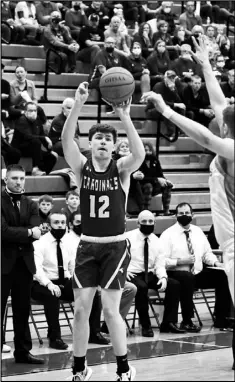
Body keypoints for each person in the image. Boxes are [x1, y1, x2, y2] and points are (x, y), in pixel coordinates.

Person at [141, 34, 234, 370]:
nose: (228, 105)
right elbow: (219, 101)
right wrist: (207, 65)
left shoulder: (233, 148)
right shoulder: (230, 131)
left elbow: (205, 136)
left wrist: (165, 109)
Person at [62, 81, 145, 380]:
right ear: (91, 143)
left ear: (113, 146)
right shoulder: (82, 168)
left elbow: (139, 155)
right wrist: (79, 104)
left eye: (107, 140)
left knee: (111, 312)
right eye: (97, 138)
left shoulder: (121, 170)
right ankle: (79, 368)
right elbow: (65, 141)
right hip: (87, 245)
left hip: (114, 246)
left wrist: (124, 117)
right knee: (81, 311)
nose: (101, 143)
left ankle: (124, 368)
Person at [160, 202, 231, 332]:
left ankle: (222, 318)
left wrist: (216, 263)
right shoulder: (167, 235)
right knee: (187, 277)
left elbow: (207, 254)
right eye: (181, 213)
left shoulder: (197, 231)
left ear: (192, 215)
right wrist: (179, 261)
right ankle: (187, 321)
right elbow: (161, 261)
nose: (184, 215)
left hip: (196, 273)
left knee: (223, 275)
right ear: (176, 215)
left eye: (187, 213)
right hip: (176, 272)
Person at [1, 164, 44, 364]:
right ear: (6, 180)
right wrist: (27, 233)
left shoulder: (31, 203)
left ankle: (23, 352)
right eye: (15, 178)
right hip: (3, 263)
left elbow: (37, 228)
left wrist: (26, 232)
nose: (19, 182)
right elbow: (3, 231)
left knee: (22, 310)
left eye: (22, 179)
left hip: (25, 264)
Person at [126, 210, 185, 337]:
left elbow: (159, 264)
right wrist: (123, 271)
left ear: (154, 223)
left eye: (150, 221)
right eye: (144, 221)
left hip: (150, 273)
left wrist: (163, 277)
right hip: (132, 274)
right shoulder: (127, 238)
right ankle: (146, 326)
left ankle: (168, 323)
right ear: (137, 223)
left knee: (173, 284)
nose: (147, 224)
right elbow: (117, 257)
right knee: (141, 287)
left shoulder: (157, 241)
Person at [32, 211, 75, 350]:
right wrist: (49, 284)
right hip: (41, 283)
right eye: (56, 223)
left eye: (63, 223)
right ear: (49, 226)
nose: (60, 226)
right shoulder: (39, 243)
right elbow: (36, 270)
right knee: (51, 295)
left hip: (63, 280)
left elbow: (72, 265)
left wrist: (78, 281)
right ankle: (55, 337)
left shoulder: (69, 242)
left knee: (87, 291)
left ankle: (94, 332)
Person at [11, 102, 58, 176]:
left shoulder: (37, 120)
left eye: (35, 110)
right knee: (35, 141)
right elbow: (28, 137)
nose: (33, 112)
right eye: (30, 110)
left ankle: (43, 172)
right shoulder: (21, 120)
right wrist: (44, 138)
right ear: (25, 111)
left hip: (34, 148)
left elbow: (42, 135)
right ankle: (35, 169)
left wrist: (49, 150)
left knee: (52, 157)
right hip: (20, 148)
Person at [137, 142, 174, 215]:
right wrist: (156, 179)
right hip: (140, 186)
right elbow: (142, 178)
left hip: (153, 185)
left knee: (167, 185)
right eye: (145, 150)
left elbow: (160, 174)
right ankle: (145, 211)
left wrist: (166, 181)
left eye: (149, 150)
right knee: (148, 186)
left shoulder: (154, 160)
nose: (147, 152)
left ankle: (166, 211)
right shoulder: (138, 161)